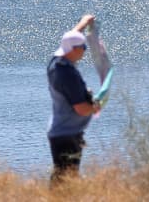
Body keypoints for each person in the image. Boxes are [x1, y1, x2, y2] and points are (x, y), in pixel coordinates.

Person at [47, 13, 100, 183]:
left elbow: (69, 38)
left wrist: (83, 23)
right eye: (83, 48)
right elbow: (81, 109)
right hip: (67, 134)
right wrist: (96, 106)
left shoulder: (56, 62)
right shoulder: (67, 75)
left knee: (61, 178)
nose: (84, 51)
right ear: (74, 50)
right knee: (65, 181)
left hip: (62, 131)